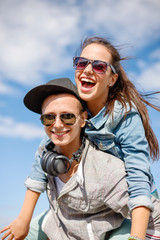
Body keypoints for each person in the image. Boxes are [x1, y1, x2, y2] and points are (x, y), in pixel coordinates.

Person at [25, 36, 160, 239]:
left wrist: (137, 236)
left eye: (99, 66)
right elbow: (48, 146)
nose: (87, 70)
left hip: (136, 202)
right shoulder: (76, 107)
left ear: (112, 79)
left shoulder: (125, 115)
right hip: (99, 201)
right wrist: (23, 219)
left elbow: (138, 178)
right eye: (82, 63)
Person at [1, 78, 160, 240]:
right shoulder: (46, 151)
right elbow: (34, 182)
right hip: (61, 223)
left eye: (67, 116)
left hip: (110, 228)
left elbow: (155, 215)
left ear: (83, 119)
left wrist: (135, 237)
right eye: (49, 117)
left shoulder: (106, 169)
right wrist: (23, 220)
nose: (56, 125)